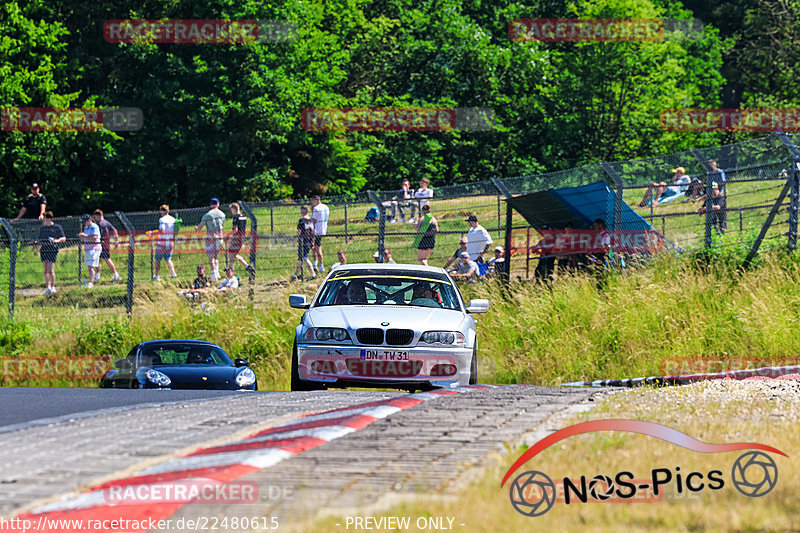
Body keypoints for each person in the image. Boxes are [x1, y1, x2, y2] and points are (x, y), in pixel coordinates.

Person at [195, 198, 226, 281]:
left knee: (211, 257)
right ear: (218, 204)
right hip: (219, 237)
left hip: (211, 238)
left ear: (211, 204)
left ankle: (213, 275)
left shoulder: (208, 215)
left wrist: (196, 228)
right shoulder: (222, 214)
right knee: (216, 256)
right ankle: (217, 273)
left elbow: (200, 227)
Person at [35, 211, 65, 295]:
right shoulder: (42, 228)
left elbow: (63, 238)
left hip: (52, 250)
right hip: (44, 249)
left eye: (44, 218)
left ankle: (52, 287)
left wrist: (56, 240)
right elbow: (40, 239)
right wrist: (36, 243)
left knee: (51, 269)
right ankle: (47, 287)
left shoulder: (57, 227)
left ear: (48, 218)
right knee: (45, 270)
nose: (43, 220)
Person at [92, 210, 122, 282]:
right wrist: (116, 241)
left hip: (101, 244)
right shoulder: (107, 222)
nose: (95, 218)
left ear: (98, 216)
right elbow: (115, 231)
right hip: (106, 243)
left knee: (106, 259)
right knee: (99, 259)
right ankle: (98, 276)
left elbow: (98, 235)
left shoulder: (100, 224)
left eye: (95, 217)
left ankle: (116, 275)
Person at [226, 203, 255, 274]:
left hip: (236, 237)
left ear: (234, 209)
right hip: (242, 237)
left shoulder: (236, 218)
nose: (231, 212)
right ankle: (247, 266)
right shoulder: (243, 217)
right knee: (234, 254)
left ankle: (232, 272)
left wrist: (228, 235)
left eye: (231, 210)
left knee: (231, 254)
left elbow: (235, 230)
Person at [154, 204, 178, 280]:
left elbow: (162, 230)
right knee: (168, 259)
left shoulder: (162, 220)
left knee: (158, 259)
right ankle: (173, 273)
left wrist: (153, 233)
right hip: (170, 242)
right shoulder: (173, 219)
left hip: (162, 242)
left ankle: (157, 275)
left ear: (162, 211)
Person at [292, 205, 316, 281]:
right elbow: (314, 232)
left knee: (305, 258)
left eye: (301, 210)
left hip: (303, 242)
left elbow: (299, 232)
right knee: (301, 259)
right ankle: (295, 275)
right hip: (309, 241)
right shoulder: (311, 221)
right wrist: (312, 241)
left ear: (303, 211)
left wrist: (295, 241)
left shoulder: (301, 220)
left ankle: (313, 273)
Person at [78, 214, 101, 288]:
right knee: (90, 266)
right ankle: (95, 278)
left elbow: (94, 238)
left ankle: (91, 282)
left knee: (91, 266)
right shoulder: (86, 227)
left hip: (94, 248)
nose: (84, 223)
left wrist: (85, 236)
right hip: (87, 248)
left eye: (85, 221)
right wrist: (82, 237)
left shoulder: (94, 227)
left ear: (89, 220)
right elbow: (85, 238)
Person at [311, 196, 330, 273]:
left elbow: (314, 220)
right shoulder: (326, 207)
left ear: (316, 200)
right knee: (314, 248)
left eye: (313, 201)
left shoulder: (317, 208)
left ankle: (320, 266)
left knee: (317, 248)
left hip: (317, 230)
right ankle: (315, 265)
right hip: (324, 229)